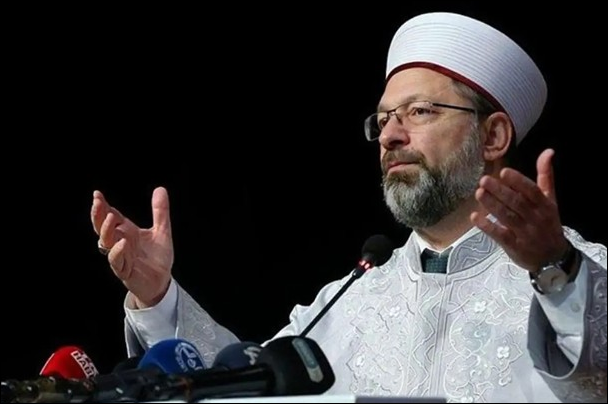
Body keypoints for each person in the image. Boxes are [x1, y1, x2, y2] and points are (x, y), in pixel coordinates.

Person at [90, 12, 606, 403]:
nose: (391, 136)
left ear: (492, 136)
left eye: (420, 112)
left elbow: (596, 374)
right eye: (383, 120)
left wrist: (554, 269)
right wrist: (158, 298)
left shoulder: (585, 274)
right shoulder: (354, 299)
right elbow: (242, 387)